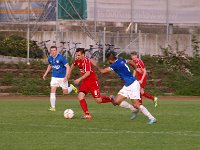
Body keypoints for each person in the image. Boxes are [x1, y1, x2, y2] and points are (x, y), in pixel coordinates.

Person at [68, 48, 135, 119]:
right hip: (85, 82)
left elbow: (88, 73)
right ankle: (87, 114)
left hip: (92, 82)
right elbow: (73, 65)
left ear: (83, 55)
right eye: (76, 55)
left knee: (98, 100)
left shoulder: (86, 61)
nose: (77, 56)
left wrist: (79, 79)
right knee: (80, 96)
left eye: (78, 55)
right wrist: (68, 74)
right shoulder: (77, 60)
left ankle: (110, 99)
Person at [92, 51, 156, 124]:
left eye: (108, 60)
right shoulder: (121, 60)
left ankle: (152, 118)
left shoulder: (115, 64)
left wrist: (96, 64)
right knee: (116, 101)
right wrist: (136, 68)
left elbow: (102, 71)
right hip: (127, 85)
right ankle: (134, 110)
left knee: (136, 104)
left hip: (133, 85)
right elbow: (130, 61)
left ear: (110, 59)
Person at [43, 46, 78, 111]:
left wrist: (66, 76)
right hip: (54, 77)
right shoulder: (50, 58)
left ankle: (71, 87)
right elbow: (50, 65)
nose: (53, 52)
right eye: (52, 51)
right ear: (50, 52)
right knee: (52, 90)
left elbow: (68, 67)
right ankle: (53, 107)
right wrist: (45, 73)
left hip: (62, 77)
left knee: (65, 92)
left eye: (54, 50)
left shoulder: (61, 58)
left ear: (56, 51)